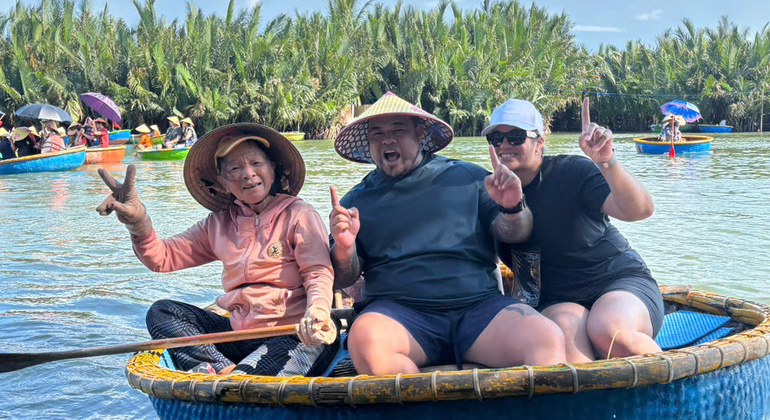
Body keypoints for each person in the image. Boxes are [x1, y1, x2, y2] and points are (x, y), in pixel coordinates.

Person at [329, 92, 566, 376]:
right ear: (369, 144)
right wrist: (344, 247)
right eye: (377, 134)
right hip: (400, 315)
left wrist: (513, 207)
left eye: (398, 131)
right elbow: (344, 278)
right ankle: (422, 398)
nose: (387, 141)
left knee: (547, 339)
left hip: (479, 308)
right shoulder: (354, 201)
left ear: (420, 133)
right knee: (366, 343)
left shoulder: (469, 178)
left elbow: (516, 233)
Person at [96, 123, 337, 376]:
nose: (248, 174)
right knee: (161, 312)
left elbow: (317, 272)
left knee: (295, 352)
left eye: (256, 163)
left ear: (273, 168)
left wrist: (318, 310)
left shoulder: (299, 214)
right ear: (222, 182)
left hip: (293, 333)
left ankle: (235, 379)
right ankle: (224, 370)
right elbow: (163, 258)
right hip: (239, 335)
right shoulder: (217, 224)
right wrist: (139, 223)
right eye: (234, 169)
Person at [487, 98, 663, 363]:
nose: (504, 145)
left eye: (515, 136)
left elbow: (640, 210)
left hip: (617, 282)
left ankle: (674, 385)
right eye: (496, 138)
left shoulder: (571, 172)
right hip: (556, 299)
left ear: (539, 143)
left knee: (610, 330)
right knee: (564, 340)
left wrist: (607, 161)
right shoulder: (490, 195)